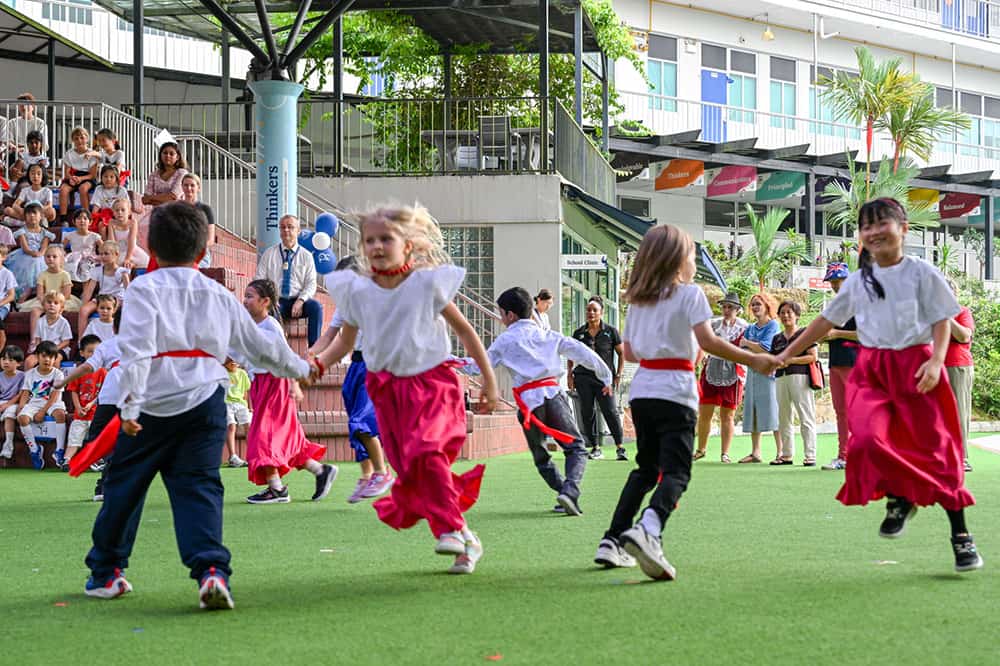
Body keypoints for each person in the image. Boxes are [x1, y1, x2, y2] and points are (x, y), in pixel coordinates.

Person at [83, 201, 314, 610]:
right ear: (202, 250)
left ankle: (106, 574)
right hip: (204, 403)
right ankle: (211, 571)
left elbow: (135, 352)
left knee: (124, 488)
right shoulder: (217, 293)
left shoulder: (141, 290)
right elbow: (259, 346)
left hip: (150, 406)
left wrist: (130, 408)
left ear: (153, 248)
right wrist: (301, 368)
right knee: (200, 488)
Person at [772, 197, 982, 573]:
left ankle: (961, 536)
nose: (873, 232)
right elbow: (824, 322)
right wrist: (786, 354)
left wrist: (936, 361)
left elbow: (941, 319)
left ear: (903, 229)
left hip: (917, 367)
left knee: (937, 452)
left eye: (882, 223)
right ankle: (900, 495)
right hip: (873, 371)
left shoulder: (921, 272)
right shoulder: (858, 282)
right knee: (867, 439)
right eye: (866, 226)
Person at [314, 203, 499, 575]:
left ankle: (449, 528)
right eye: (370, 240)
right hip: (387, 390)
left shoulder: (426, 284)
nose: (377, 246)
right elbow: (344, 343)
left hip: (432, 384)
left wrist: (490, 381)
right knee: (411, 470)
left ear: (408, 245)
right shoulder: (359, 293)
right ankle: (466, 537)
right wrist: (317, 365)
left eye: (386, 239)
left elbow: (466, 332)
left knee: (427, 452)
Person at [594, 225, 774, 578]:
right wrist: (753, 359)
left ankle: (612, 540)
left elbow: (630, 352)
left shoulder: (639, 300)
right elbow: (708, 342)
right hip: (676, 390)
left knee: (646, 469)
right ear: (678, 261)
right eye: (692, 256)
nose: (694, 263)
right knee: (677, 471)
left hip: (643, 392)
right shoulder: (690, 294)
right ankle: (649, 527)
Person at [460, 286, 612, 517]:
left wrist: (446, 361)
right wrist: (605, 376)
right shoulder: (547, 335)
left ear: (510, 315)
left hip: (528, 405)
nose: (501, 319)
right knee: (576, 448)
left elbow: (477, 365)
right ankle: (569, 491)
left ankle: (564, 491)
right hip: (552, 396)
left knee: (541, 456)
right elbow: (581, 351)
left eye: (501, 314)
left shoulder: (505, 340)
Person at [238, 278, 337, 504]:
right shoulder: (249, 326)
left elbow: (286, 357)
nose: (245, 300)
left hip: (274, 383)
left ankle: (277, 488)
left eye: (250, 296)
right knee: (285, 436)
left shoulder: (271, 326)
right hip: (261, 383)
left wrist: (294, 384)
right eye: (245, 296)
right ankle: (320, 470)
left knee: (262, 434)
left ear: (265, 301)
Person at [307, 256, 394, 505]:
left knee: (361, 422)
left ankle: (382, 472)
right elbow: (329, 337)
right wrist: (310, 354)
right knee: (354, 423)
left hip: (376, 367)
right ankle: (366, 475)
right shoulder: (347, 306)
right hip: (356, 366)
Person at [57, 309, 121, 502]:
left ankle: (104, 484)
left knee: (99, 439)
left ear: (114, 327)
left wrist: (62, 382)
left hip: (111, 397)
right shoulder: (148, 342)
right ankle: (112, 483)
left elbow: (87, 367)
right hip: (136, 397)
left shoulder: (108, 345)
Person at [568, 296, 626, 461]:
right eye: (588, 310)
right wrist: (570, 374)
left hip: (604, 381)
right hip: (583, 378)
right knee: (587, 412)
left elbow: (621, 354)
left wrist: (618, 375)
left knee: (610, 411)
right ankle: (595, 447)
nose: (591, 313)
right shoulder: (579, 333)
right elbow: (571, 354)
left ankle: (620, 448)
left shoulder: (611, 331)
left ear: (601, 312)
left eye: (595, 310)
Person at [694, 291, 747, 463]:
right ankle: (701, 449)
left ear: (737, 310)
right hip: (712, 367)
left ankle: (725, 453)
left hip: (733, 369)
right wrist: (700, 357)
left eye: (730, 307)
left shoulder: (744, 327)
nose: (726, 310)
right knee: (705, 412)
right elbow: (701, 342)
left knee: (728, 414)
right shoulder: (713, 324)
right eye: (724, 307)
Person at [254, 214, 323, 347]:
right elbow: (259, 281)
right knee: (268, 311)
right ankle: (275, 350)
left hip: (298, 301)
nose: (286, 230)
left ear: (298, 231)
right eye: (283, 227)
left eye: (290, 227)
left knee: (316, 307)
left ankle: (314, 350)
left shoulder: (306, 256)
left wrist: (301, 300)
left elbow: (311, 283)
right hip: (277, 300)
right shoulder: (269, 254)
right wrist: (270, 298)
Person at [770, 300, 818, 466]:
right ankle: (786, 454)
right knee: (784, 417)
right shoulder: (777, 338)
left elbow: (812, 356)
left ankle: (810, 455)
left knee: (806, 415)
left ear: (797, 315)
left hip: (800, 377)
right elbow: (772, 358)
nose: (785, 316)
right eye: (782, 313)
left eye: (789, 312)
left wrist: (791, 360)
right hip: (780, 378)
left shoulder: (805, 334)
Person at [821, 262, 858, 471]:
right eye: (832, 281)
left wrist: (837, 333)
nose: (835, 285)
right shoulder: (833, 307)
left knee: (857, 411)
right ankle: (844, 456)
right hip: (835, 362)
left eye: (839, 280)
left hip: (854, 363)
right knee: (841, 412)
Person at [737, 292, 781, 464]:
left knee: (774, 410)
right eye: (753, 304)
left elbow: (766, 348)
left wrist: (749, 344)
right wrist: (752, 347)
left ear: (767, 306)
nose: (755, 307)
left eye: (758, 304)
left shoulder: (773, 325)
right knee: (753, 409)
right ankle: (756, 452)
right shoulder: (750, 328)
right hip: (753, 373)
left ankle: (781, 451)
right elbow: (743, 350)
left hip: (769, 374)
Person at [939, 277, 975, 473]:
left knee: (958, 412)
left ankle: (961, 458)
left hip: (957, 366)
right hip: (935, 367)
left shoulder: (962, 312)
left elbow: (964, 335)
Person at [17, 341, 67, 470]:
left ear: (55, 359)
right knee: (22, 418)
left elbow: (54, 396)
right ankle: (34, 449)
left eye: (51, 357)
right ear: (37, 357)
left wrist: (42, 412)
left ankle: (60, 450)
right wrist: (21, 407)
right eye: (44, 356)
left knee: (60, 414)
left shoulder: (58, 374)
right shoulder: (30, 374)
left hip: (53, 403)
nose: (47, 360)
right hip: (35, 403)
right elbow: (26, 392)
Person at [63, 334, 106, 469]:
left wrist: (91, 403)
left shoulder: (103, 372)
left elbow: (103, 392)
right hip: (80, 414)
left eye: (96, 352)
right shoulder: (78, 371)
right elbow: (73, 391)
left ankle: (96, 460)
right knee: (74, 438)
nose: (93, 355)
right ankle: (67, 460)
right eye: (90, 351)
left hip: (96, 414)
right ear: (82, 353)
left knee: (97, 438)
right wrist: (78, 408)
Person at [138, 141, 188, 248]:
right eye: (165, 153)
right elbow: (144, 200)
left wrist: (152, 198)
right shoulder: (154, 174)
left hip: (176, 213)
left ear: (177, 157)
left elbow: (173, 197)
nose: (167, 156)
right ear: (160, 155)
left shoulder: (182, 173)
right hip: (158, 213)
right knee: (141, 229)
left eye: (171, 153)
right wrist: (164, 198)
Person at [24, 245, 81, 337]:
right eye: (48, 256)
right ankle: (34, 339)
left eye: (54, 257)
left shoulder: (65, 275)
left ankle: (57, 336)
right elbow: (40, 294)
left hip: (61, 300)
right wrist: (46, 303)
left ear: (61, 259)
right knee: (35, 311)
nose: (51, 259)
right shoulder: (42, 275)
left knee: (56, 310)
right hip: (45, 300)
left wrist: (55, 303)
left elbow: (66, 295)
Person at [7, 201, 53, 300]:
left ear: (41, 216)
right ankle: (24, 292)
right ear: (25, 216)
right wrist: (32, 253)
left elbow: (44, 248)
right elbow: (25, 248)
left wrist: (39, 254)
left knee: (38, 262)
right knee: (31, 263)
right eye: (28, 213)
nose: (32, 215)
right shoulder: (22, 231)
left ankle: (38, 290)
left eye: (35, 213)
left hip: (40, 255)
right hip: (25, 254)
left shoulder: (45, 233)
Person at [78, 241, 129, 329]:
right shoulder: (97, 270)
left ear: (116, 254)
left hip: (117, 299)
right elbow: (89, 290)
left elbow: (129, 290)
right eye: (101, 254)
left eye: (106, 254)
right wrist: (84, 305)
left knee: (110, 310)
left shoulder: (122, 272)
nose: (103, 257)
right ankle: (82, 336)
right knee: (83, 311)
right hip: (102, 298)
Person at [58, 127, 99, 224]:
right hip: (73, 176)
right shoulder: (69, 154)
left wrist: (80, 179)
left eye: (82, 137)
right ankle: (63, 218)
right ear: (73, 140)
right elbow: (67, 173)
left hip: (87, 177)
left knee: (83, 188)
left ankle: (87, 216)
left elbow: (93, 175)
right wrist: (71, 178)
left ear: (87, 139)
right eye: (76, 138)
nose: (79, 140)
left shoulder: (91, 154)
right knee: (63, 189)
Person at [26, 291, 72, 368]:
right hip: (43, 349)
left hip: (58, 349)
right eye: (49, 302)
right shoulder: (40, 321)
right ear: (43, 305)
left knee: (55, 361)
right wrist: (40, 351)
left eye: (56, 303)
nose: (52, 305)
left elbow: (66, 342)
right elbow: (38, 339)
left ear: (61, 308)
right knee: (29, 361)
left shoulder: (63, 322)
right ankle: (30, 376)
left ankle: (55, 376)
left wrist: (53, 349)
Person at [104, 197, 149, 269]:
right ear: (113, 213)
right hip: (118, 251)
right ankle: (130, 265)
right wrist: (114, 256)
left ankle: (132, 264)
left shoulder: (133, 222)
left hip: (132, 250)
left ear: (129, 212)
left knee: (146, 261)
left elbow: (131, 242)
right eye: (117, 210)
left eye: (123, 210)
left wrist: (127, 258)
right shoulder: (111, 222)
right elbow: (112, 242)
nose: (120, 212)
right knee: (116, 263)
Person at [181, 174, 215, 268]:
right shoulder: (176, 209)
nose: (189, 188)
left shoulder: (205, 209)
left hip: (199, 254)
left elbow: (210, 240)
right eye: (186, 185)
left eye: (192, 185)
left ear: (198, 188)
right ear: (182, 187)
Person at [222, 358, 249, 469]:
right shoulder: (222, 373)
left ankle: (253, 454)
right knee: (231, 426)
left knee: (249, 426)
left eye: (235, 358)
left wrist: (248, 406)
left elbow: (245, 391)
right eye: (229, 359)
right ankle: (233, 457)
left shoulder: (243, 373)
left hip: (241, 403)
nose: (233, 361)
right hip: (226, 403)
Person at [0, 345, 25, 459]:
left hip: (15, 403)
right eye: (3, 359)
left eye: (10, 360)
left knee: (9, 414)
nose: (6, 362)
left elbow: (20, 394)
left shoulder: (22, 376)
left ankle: (8, 444)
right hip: (1, 402)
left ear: (18, 363)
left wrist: (7, 405)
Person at [64, 210, 102, 283]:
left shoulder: (94, 236)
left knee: (85, 267)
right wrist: (64, 254)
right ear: (74, 221)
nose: (82, 221)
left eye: (85, 218)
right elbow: (61, 248)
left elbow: (104, 248)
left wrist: (99, 257)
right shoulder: (70, 235)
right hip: (75, 259)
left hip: (89, 259)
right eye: (79, 218)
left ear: (90, 222)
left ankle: (86, 288)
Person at [0, 245, 16, 351]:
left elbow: (11, 296)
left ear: (4, 257)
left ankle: (2, 342)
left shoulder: (7, 274)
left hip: (2, 305)